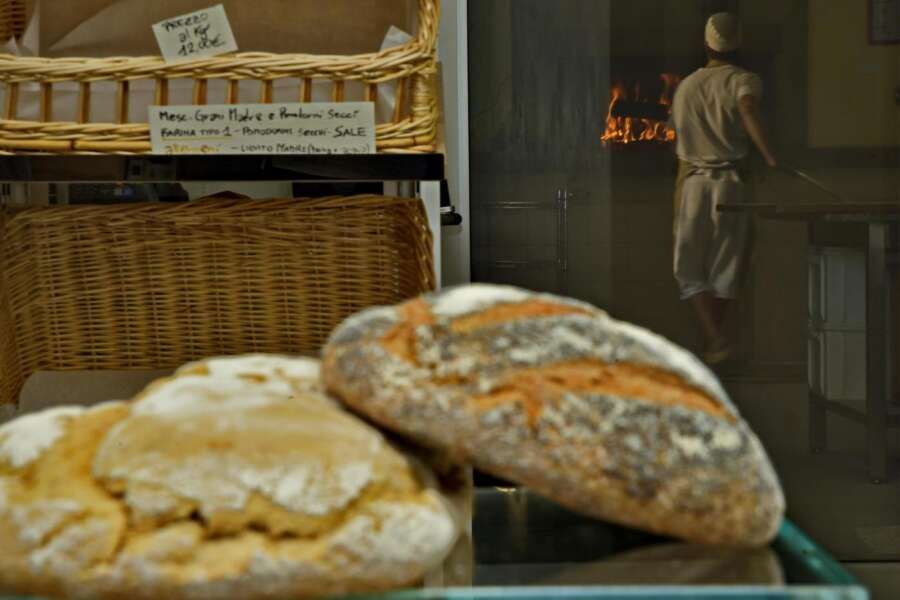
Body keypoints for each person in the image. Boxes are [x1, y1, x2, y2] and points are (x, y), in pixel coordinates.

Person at [670, 12, 777, 365]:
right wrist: (770, 157)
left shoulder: (685, 87)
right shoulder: (744, 80)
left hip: (693, 188)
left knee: (688, 269)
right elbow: (747, 108)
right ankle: (715, 342)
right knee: (726, 267)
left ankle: (713, 343)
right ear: (739, 44)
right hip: (730, 187)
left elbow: (675, 133)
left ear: (706, 44)